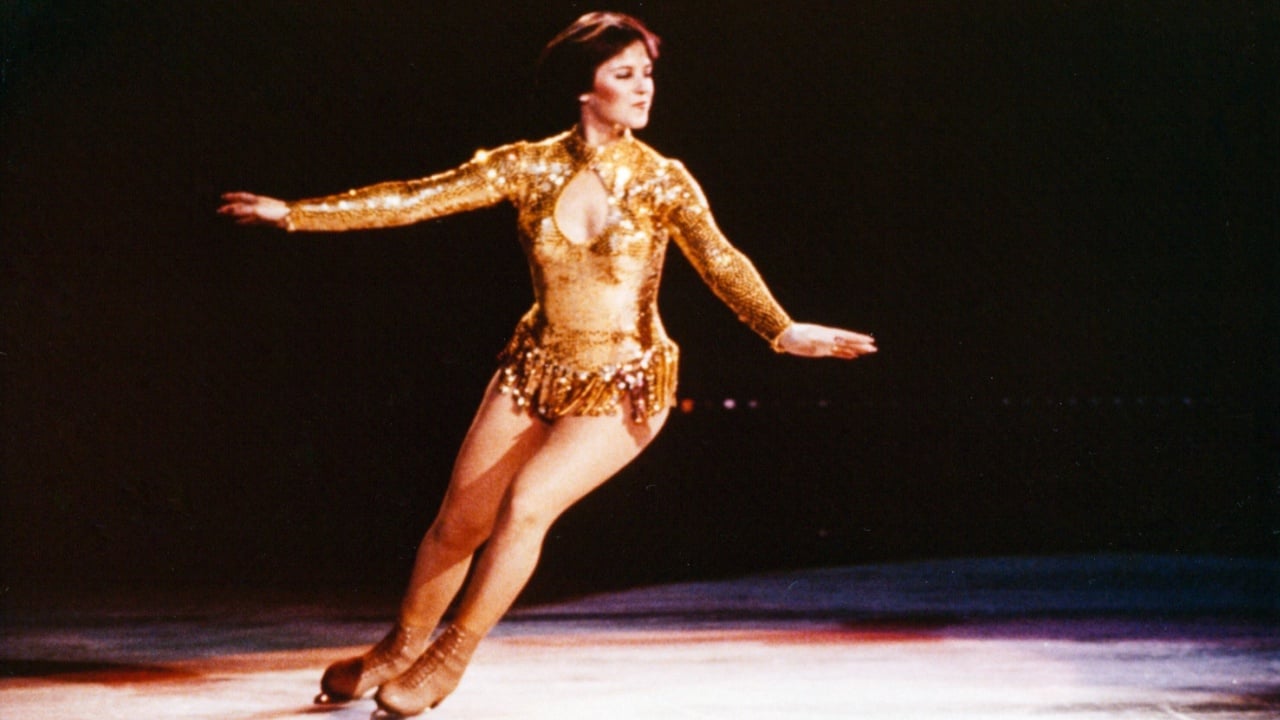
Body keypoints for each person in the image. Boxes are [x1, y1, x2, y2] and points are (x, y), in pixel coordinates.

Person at [219, 11, 876, 717]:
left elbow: (720, 259)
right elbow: (417, 198)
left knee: (526, 507)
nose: (643, 89)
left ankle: (448, 660)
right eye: (624, 75)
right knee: (456, 525)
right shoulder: (526, 166)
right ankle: (395, 650)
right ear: (581, 88)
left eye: (647, 74)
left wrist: (781, 331)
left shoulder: (664, 180)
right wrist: (294, 214)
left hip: (628, 381)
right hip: (535, 369)